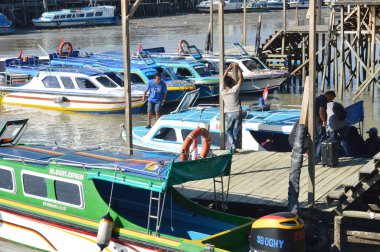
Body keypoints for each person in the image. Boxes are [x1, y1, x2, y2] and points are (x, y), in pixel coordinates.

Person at [221, 63, 244, 154]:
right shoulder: (235, 89)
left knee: (228, 130)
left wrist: (228, 69)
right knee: (235, 130)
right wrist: (238, 68)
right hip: (237, 112)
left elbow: (222, 79)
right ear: (231, 83)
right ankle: (234, 148)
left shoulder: (222, 91)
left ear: (225, 84)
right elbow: (241, 79)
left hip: (228, 113)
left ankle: (233, 146)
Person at [315, 90, 336, 162]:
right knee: (321, 139)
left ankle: (314, 156)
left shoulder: (318, 98)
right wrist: (324, 121)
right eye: (331, 99)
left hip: (314, 122)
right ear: (329, 95)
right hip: (319, 122)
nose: (330, 101)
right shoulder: (323, 99)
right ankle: (317, 158)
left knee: (317, 139)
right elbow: (321, 111)